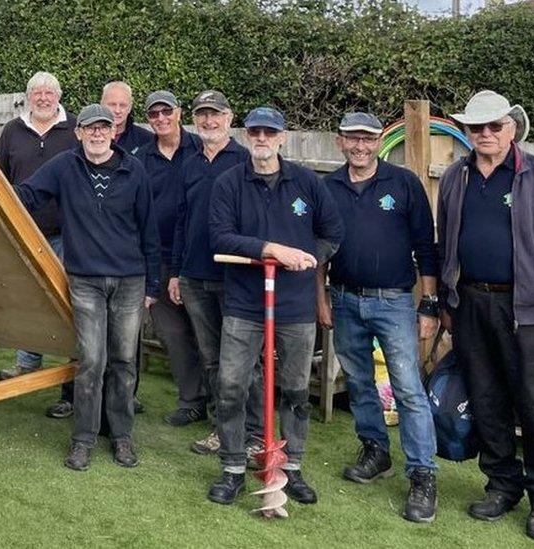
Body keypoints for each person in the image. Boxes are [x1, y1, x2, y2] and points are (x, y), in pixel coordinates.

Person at [437, 91, 534, 542]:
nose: (485, 134)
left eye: (494, 126)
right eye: (476, 128)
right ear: (467, 132)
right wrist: (448, 303)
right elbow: (446, 241)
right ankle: (502, 485)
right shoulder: (454, 178)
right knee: (486, 402)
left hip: (531, 312)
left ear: (511, 128)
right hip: (470, 305)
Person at [207, 107, 343, 506]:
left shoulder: (306, 182)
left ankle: (290, 467)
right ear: (247, 136)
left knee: (298, 389)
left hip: (296, 304)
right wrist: (271, 250)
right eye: (255, 132)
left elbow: (333, 232)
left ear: (283, 138)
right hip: (245, 304)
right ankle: (233, 467)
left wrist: (308, 257)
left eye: (270, 132)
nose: (262, 138)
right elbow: (219, 236)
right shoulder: (229, 183)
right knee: (232, 385)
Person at [13, 104, 161, 471]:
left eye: (103, 128)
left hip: (129, 280)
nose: (97, 134)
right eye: (89, 128)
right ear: (78, 133)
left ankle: (122, 435)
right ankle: (83, 439)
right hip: (85, 281)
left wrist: (152, 284)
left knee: (125, 361)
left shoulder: (134, 170)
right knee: (92, 360)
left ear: (114, 132)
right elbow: (28, 195)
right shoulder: (65, 166)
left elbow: (150, 230)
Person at [316, 112, 439, 522]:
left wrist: (430, 304)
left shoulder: (403, 183)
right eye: (352, 139)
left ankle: (422, 473)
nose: (360, 146)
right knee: (358, 383)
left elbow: (426, 247)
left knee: (407, 389)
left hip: (394, 303)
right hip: (345, 298)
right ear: (339, 142)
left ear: (378, 142)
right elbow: (319, 250)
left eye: (367, 139)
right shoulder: (327, 187)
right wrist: (321, 298)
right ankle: (375, 450)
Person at [167, 91, 252, 451]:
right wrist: (175, 272)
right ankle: (222, 429)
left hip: (233, 277)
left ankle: (250, 432)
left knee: (240, 359)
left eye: (215, 115)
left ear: (229, 118)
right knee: (211, 357)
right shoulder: (189, 162)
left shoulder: (246, 161)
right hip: (194, 276)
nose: (208, 122)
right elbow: (181, 221)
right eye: (202, 116)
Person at [0, 72, 79, 405]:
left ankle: (74, 372)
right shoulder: (13, 130)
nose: (43, 98)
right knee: (30, 299)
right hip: (25, 231)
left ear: (58, 95)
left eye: (49, 92)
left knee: (72, 300)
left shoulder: (75, 128)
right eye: (37, 93)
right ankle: (28, 364)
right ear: (28, 97)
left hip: (68, 234)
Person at [137, 91, 204, 429]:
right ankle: (191, 401)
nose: (161, 118)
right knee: (172, 334)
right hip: (157, 258)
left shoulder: (201, 150)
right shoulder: (141, 158)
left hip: (198, 258)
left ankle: (225, 408)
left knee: (208, 334)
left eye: (167, 111)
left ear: (179, 113)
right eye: (154, 114)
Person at [101, 80, 154, 155]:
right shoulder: (89, 136)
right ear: (102, 105)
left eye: (122, 105)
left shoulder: (146, 139)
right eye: (112, 104)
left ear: (129, 108)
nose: (117, 110)